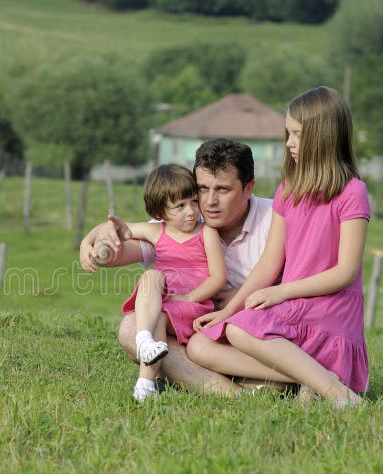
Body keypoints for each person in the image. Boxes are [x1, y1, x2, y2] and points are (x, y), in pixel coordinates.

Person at [193, 86, 368, 407]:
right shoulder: (288, 191)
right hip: (293, 308)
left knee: (240, 332)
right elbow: (269, 263)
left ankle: (337, 393)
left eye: (297, 134)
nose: (289, 143)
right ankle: (314, 377)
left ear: (323, 137)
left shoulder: (352, 192)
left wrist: (280, 292)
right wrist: (229, 311)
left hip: (330, 307)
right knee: (199, 347)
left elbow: (345, 272)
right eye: (288, 133)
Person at [81, 138, 288, 397]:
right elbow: (121, 246)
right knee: (131, 329)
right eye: (202, 188)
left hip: (249, 328)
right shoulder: (187, 218)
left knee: (205, 344)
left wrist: (241, 295)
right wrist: (97, 238)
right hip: (197, 326)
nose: (209, 201)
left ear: (248, 188)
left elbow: (302, 279)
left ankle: (268, 379)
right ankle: (234, 392)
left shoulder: (275, 218)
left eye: (222, 189)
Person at [111, 164, 226, 401]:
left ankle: (145, 382)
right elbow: (119, 229)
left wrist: (189, 297)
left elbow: (218, 278)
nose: (191, 211)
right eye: (180, 206)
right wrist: (88, 241)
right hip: (166, 300)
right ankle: (144, 340)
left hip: (194, 304)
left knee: (159, 317)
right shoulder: (157, 232)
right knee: (150, 276)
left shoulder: (206, 233)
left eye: (194, 201)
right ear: (159, 213)